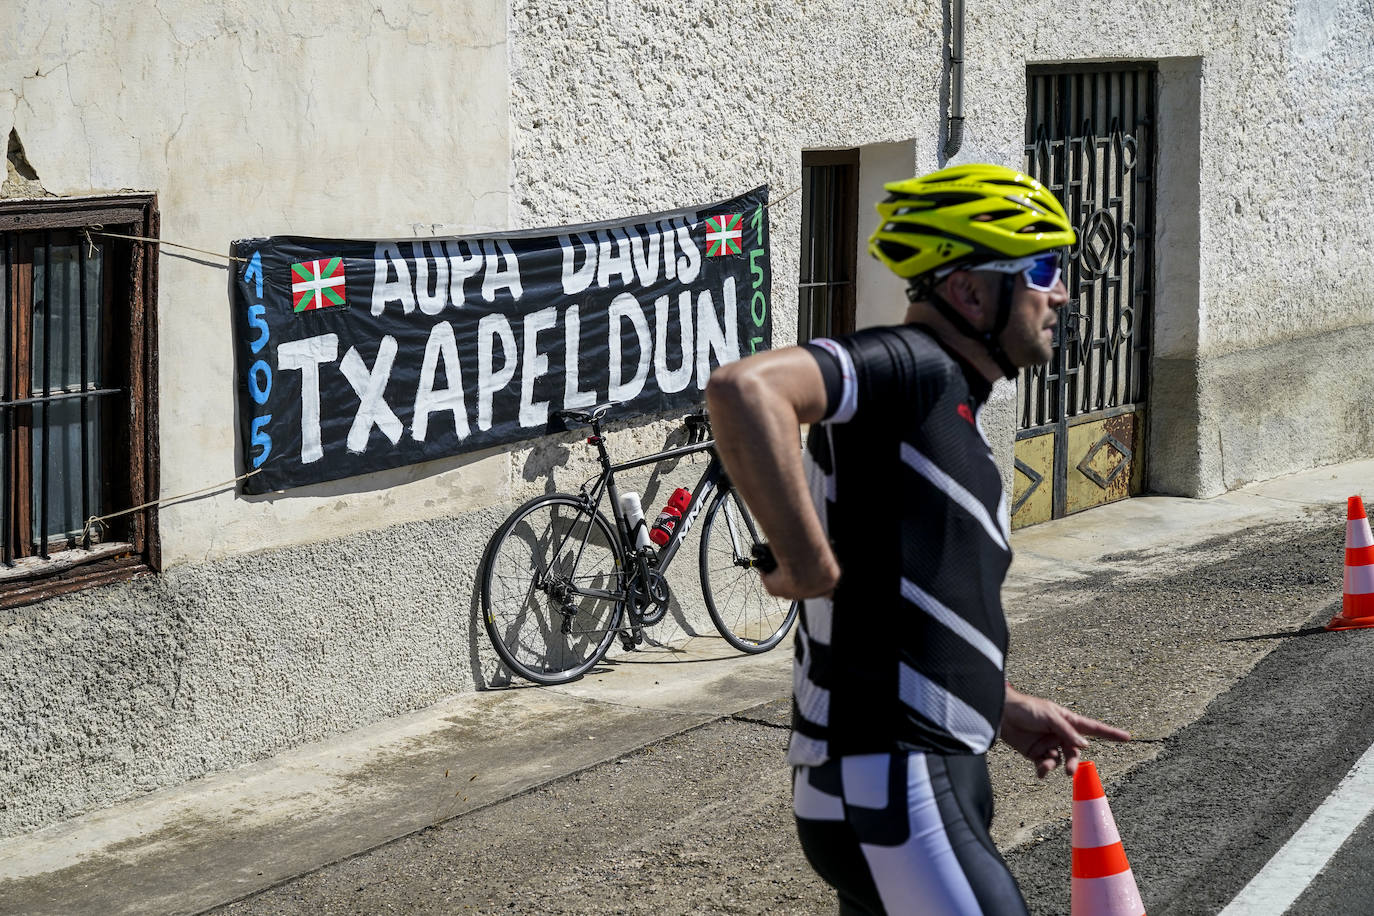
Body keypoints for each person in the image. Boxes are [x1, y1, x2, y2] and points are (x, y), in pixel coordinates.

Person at [705, 164, 1131, 915]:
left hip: (912, 776)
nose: (1060, 292)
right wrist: (805, 562)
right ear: (968, 291)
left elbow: (913, 592)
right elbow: (747, 389)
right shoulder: (911, 369)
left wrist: (999, 704)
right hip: (893, 782)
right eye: (1039, 269)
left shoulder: (945, 404)